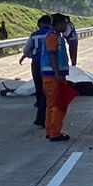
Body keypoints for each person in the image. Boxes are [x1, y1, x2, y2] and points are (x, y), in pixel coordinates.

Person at [41, 13, 74, 141]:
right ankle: (55, 132)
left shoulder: (57, 36)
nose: (66, 26)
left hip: (52, 76)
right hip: (53, 77)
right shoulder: (53, 36)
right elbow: (52, 55)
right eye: (65, 23)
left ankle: (50, 130)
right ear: (59, 24)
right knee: (57, 105)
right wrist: (57, 72)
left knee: (51, 105)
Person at [19, 15, 52, 128]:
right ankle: (45, 116)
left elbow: (26, 50)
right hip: (50, 65)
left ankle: (40, 111)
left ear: (41, 23)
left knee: (39, 88)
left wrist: (32, 55)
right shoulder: (54, 34)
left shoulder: (34, 35)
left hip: (37, 64)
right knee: (49, 90)